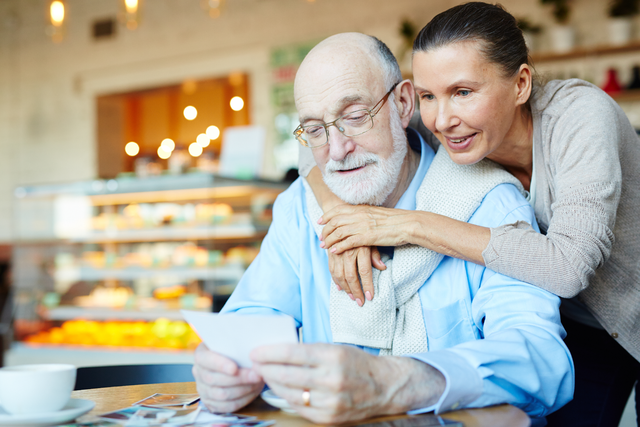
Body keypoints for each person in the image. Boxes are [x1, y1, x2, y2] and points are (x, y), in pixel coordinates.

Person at [193, 32, 573, 426]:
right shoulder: (300, 208)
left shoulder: (489, 203)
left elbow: (540, 360)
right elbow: (253, 317)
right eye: (316, 130)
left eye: (355, 117)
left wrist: (395, 381)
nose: (337, 150)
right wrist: (223, 367)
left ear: (403, 103)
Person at [302, 3, 640, 427]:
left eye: (463, 92)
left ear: (520, 84)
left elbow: (569, 267)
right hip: (579, 326)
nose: (443, 119)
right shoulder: (450, 128)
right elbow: (313, 149)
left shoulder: (579, 117)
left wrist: (409, 225)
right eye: (427, 96)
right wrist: (342, 220)